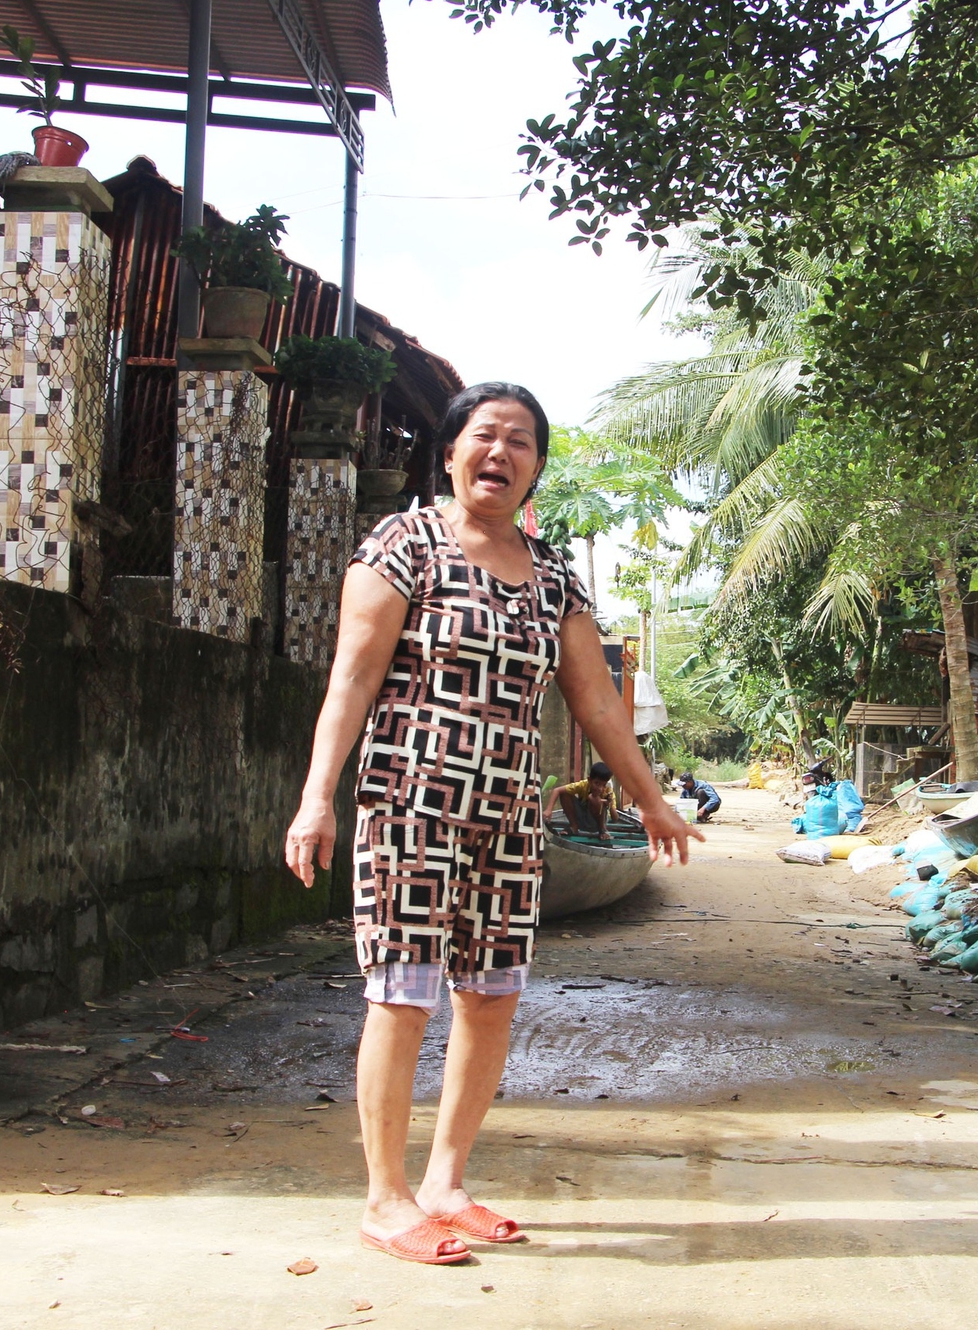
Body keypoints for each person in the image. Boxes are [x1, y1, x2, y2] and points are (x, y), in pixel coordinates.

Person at [283, 382, 703, 1266]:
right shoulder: (404, 545)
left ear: (537, 468)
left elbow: (596, 701)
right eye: (485, 436)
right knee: (402, 993)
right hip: (410, 808)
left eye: (521, 442)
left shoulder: (552, 577)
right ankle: (385, 1197)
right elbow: (350, 682)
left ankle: (443, 1180)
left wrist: (653, 799)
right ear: (451, 451)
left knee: (491, 996)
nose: (500, 454)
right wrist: (318, 796)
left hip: (511, 824)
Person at [549, 762, 616, 840]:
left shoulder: (608, 791)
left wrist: (608, 803)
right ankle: (574, 827)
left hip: (596, 825)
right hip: (581, 820)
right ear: (589, 780)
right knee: (564, 793)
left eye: (603, 785)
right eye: (597, 783)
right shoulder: (583, 785)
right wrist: (548, 810)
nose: (600, 788)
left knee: (593, 798)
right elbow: (557, 790)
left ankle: (603, 830)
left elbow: (615, 818)